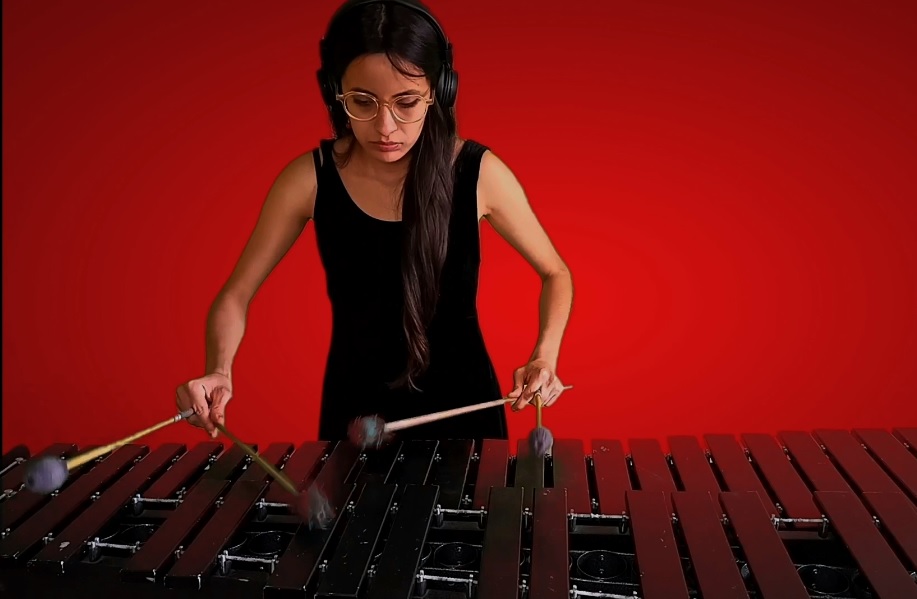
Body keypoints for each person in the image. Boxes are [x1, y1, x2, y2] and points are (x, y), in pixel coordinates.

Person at [175, 0, 574, 444]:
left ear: (438, 92)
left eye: (406, 102)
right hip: (354, 415)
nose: (385, 126)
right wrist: (219, 369)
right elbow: (235, 294)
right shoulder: (308, 179)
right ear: (335, 93)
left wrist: (544, 356)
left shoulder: (478, 173)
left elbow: (555, 272)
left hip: (467, 416)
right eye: (363, 102)